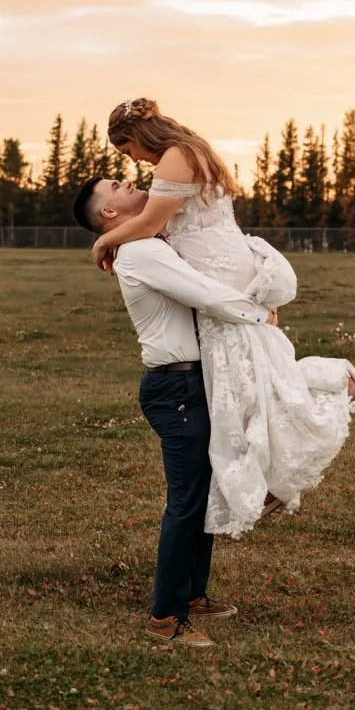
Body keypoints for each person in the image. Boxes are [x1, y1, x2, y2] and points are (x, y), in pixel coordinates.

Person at [90, 99, 355, 539]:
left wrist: (101, 244)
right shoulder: (188, 150)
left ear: (139, 134)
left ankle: (298, 434)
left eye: (127, 149)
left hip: (217, 271)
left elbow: (152, 221)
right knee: (252, 377)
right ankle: (271, 473)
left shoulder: (174, 156)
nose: (132, 160)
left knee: (239, 383)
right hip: (223, 262)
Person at [73, 175, 279, 648]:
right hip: (176, 386)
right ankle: (165, 617)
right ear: (108, 212)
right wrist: (258, 312)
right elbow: (203, 292)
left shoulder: (146, 241)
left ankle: (192, 595)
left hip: (193, 380)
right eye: (116, 185)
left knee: (202, 494)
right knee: (186, 502)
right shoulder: (143, 253)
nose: (128, 180)